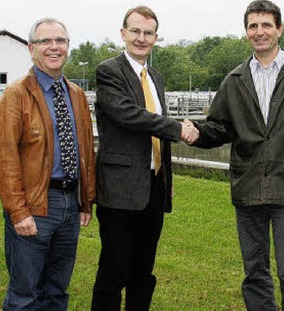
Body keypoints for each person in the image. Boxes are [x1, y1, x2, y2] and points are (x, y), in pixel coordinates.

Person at [191, 1, 284, 309]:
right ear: (246, 32)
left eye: (266, 25)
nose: (259, 32)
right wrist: (194, 132)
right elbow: (219, 128)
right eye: (253, 26)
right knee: (254, 272)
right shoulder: (234, 80)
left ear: (279, 29)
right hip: (248, 188)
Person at [90, 6, 198, 311]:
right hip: (120, 191)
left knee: (142, 273)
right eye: (135, 31)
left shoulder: (156, 77)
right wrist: (178, 127)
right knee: (113, 273)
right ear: (122, 33)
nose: (141, 38)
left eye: (147, 33)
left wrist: (166, 179)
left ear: (155, 37)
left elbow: (158, 134)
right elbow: (130, 115)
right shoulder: (109, 71)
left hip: (153, 189)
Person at [0, 18, 96, 310]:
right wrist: (19, 212)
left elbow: (86, 150)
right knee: (24, 294)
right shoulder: (16, 96)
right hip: (34, 206)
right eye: (45, 41)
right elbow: (6, 157)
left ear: (68, 46)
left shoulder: (76, 95)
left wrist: (85, 201)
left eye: (61, 41)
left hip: (69, 204)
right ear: (32, 48)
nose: (54, 47)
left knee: (57, 291)